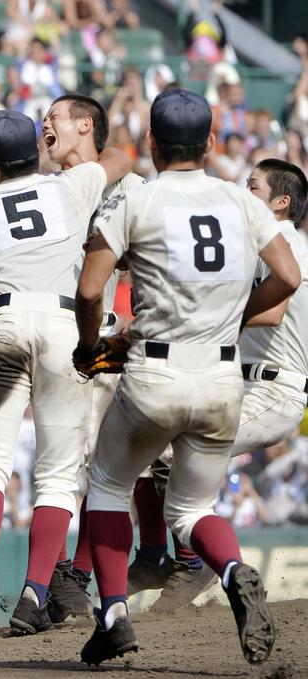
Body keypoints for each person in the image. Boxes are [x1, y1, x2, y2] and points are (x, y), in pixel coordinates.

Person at [76, 88, 299, 666]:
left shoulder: (140, 201)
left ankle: (115, 616)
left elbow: (90, 287)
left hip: (155, 371)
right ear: (210, 141)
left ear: (151, 140)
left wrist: (87, 344)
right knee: (193, 510)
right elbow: (288, 275)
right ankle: (231, 569)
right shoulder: (241, 201)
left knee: (106, 486)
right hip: (224, 377)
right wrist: (236, 316)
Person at [0, 109, 131, 637]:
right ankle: (34, 592)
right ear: (35, 148)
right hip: (64, 322)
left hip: (3, 319)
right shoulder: (70, 186)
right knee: (58, 474)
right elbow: (118, 159)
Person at [128, 158, 308, 612]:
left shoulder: (283, 241)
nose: (242, 191)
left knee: (170, 448)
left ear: (281, 202)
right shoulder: (265, 242)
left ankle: (192, 561)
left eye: (253, 186)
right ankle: (154, 556)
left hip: (272, 391)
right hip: (240, 382)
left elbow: (273, 312)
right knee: (149, 443)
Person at [39, 93, 147, 624]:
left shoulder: (125, 183)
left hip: (102, 340)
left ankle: (72, 578)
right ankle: (54, 580)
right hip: (54, 336)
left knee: (107, 468)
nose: (45, 124)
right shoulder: (42, 190)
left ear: (84, 125)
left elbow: (148, 260)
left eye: (54, 116)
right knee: (57, 468)